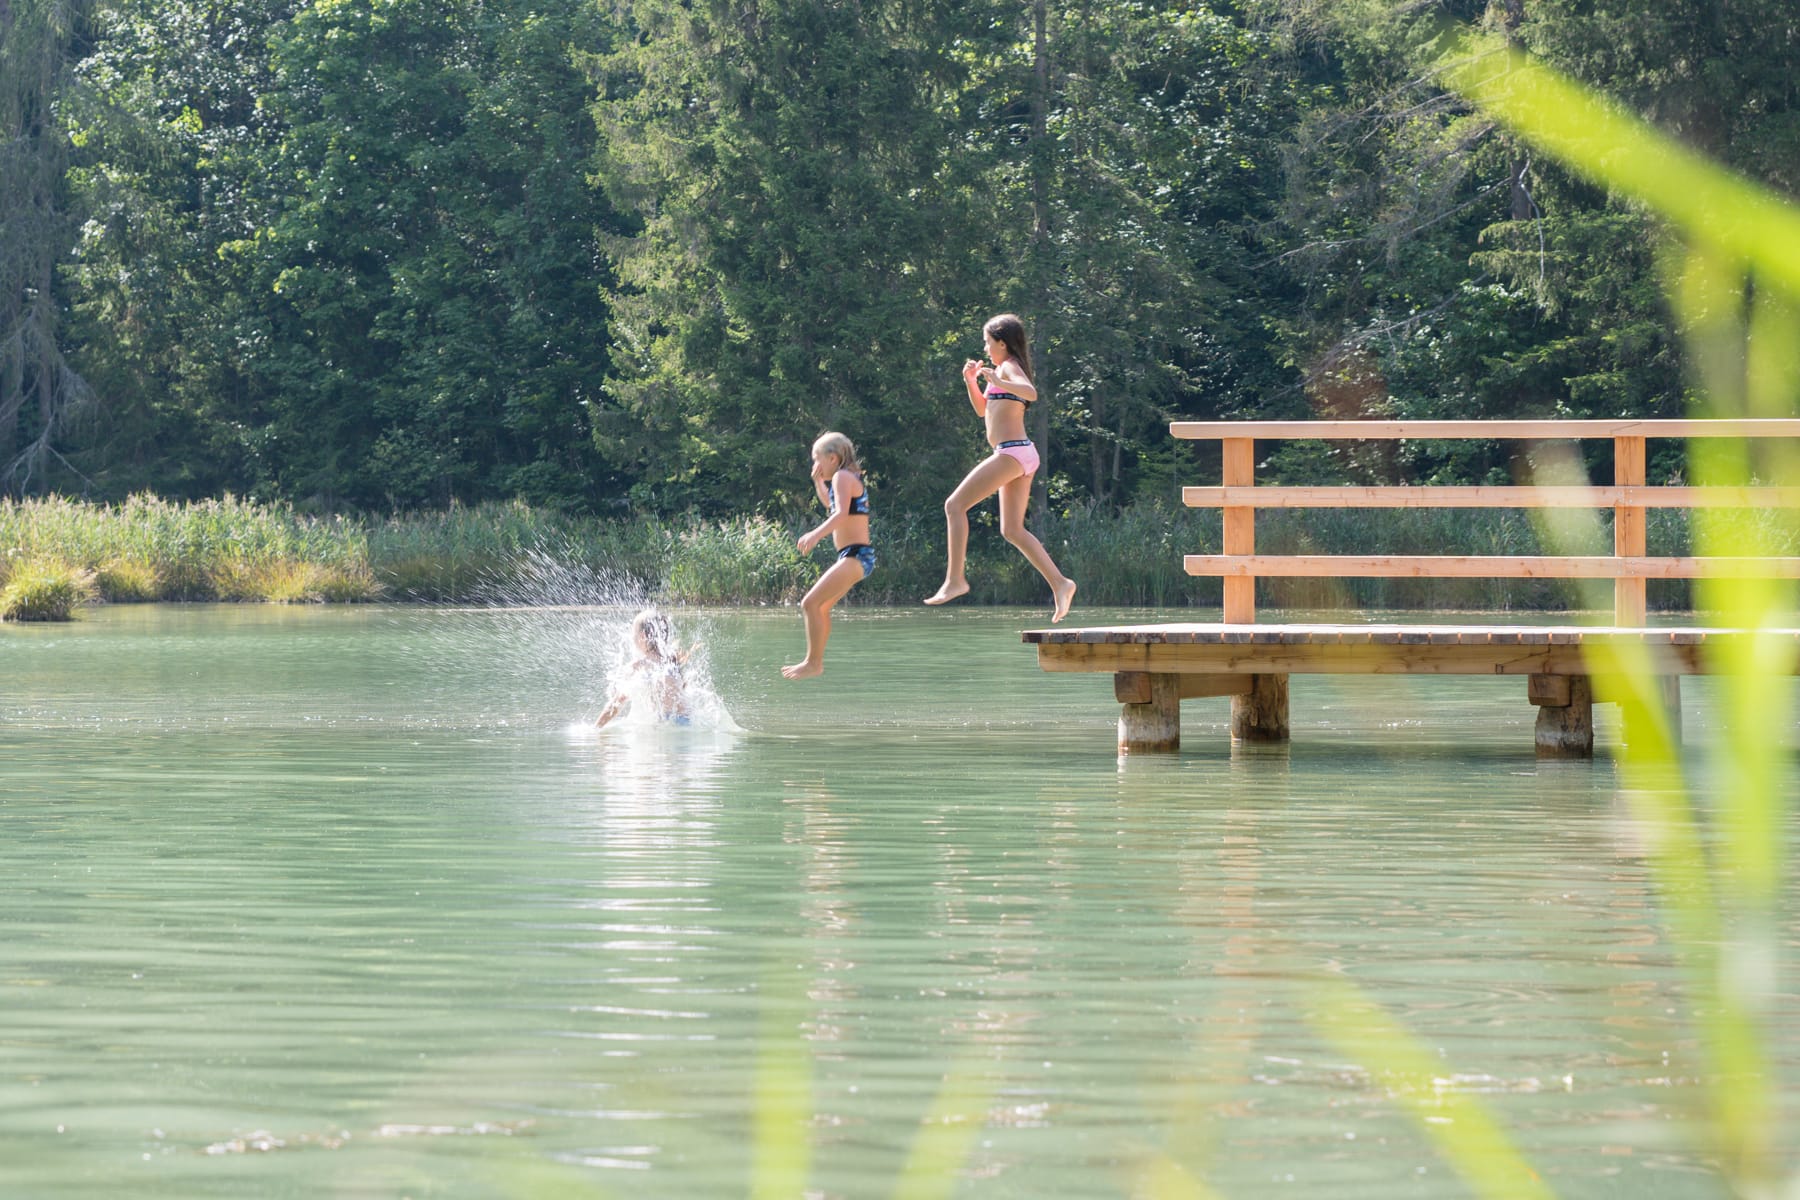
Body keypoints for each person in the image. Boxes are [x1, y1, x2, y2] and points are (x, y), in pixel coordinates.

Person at [924, 313, 1077, 622]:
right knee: (1012, 530)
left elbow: (1031, 392)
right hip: (1019, 453)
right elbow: (984, 410)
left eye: (987, 342)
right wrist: (971, 382)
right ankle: (1061, 583)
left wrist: (999, 380)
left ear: (1002, 343)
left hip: (1013, 452)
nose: (985, 348)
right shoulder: (1003, 370)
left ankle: (955, 580)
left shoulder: (1009, 367)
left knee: (954, 506)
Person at [782, 431, 875, 680]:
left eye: (817, 459)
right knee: (820, 608)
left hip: (855, 556)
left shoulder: (842, 477)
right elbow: (832, 505)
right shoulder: (846, 478)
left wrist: (815, 535)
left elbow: (840, 515)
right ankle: (816, 662)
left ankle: (813, 663)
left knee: (809, 604)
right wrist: (818, 483)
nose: (815, 465)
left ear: (833, 458)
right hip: (855, 556)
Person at [595, 608, 694, 727]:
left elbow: (616, 703)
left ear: (642, 636)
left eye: (633, 633)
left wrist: (596, 727)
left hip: (664, 723)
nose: (632, 637)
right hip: (686, 720)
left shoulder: (638, 665)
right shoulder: (671, 661)